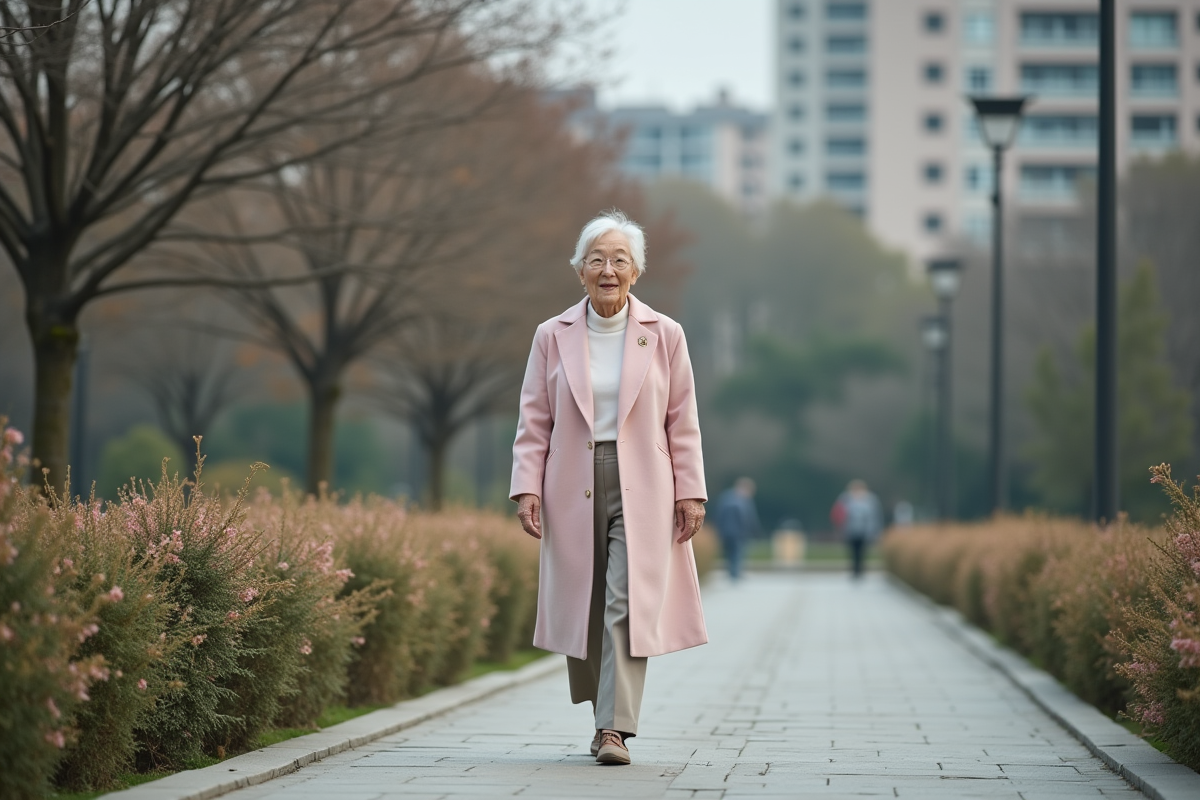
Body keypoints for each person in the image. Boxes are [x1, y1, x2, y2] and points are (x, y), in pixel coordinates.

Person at [510, 210, 707, 766]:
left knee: (624, 599)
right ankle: (602, 711)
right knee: (585, 600)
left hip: (642, 482)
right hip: (570, 480)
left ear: (637, 271)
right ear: (579, 271)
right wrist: (526, 486)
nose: (608, 270)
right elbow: (534, 418)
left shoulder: (665, 334)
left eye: (620, 260)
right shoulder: (552, 335)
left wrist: (690, 490)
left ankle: (613, 729)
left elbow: (682, 417)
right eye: (596, 259)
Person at [832, 479, 883, 579]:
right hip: (850, 530)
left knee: (862, 551)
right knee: (853, 551)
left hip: (865, 530)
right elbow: (840, 513)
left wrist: (874, 530)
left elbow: (874, 516)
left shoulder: (871, 499)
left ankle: (860, 570)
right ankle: (855, 570)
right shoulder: (845, 498)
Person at [714, 477, 760, 581]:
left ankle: (732, 573)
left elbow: (719, 515)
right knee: (737, 553)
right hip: (739, 532)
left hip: (725, 531)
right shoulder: (745, 501)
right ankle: (735, 574)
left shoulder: (726, 497)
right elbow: (749, 518)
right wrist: (754, 531)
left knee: (730, 553)